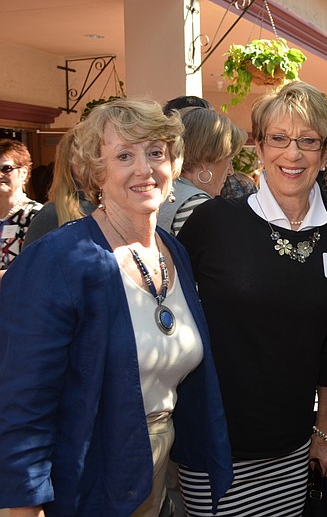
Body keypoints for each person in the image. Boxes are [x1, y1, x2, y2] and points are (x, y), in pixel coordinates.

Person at [0, 99, 232, 516]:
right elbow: (23, 404)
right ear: (95, 172)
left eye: (156, 152)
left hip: (155, 473)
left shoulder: (172, 251)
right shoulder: (59, 260)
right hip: (88, 478)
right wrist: (22, 508)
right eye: (125, 155)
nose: (145, 169)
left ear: (174, 164)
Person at [176, 81, 327, 517]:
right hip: (214, 441)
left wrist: (322, 432)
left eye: (308, 141)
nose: (292, 154)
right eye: (278, 138)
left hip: (292, 447)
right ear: (258, 146)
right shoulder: (212, 223)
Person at [157, 107, 246, 235]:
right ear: (206, 161)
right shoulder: (199, 206)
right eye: (229, 160)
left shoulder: (163, 191)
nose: (230, 171)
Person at [22, 131, 97, 247]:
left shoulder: (118, 206)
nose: (91, 163)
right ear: (68, 164)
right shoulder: (51, 214)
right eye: (82, 158)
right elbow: (30, 263)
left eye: (97, 155)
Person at [0, 139, 42, 281]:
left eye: (6, 168)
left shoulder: (36, 215)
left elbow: (36, 268)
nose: (0, 175)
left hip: (20, 300)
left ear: (23, 173)